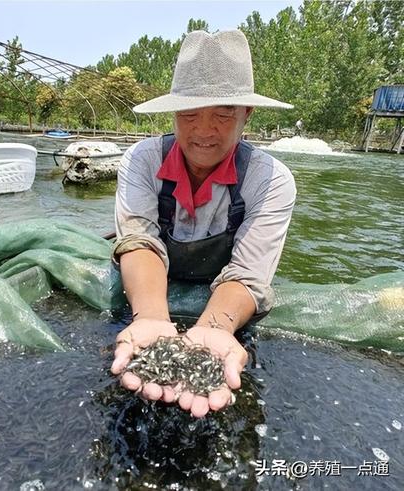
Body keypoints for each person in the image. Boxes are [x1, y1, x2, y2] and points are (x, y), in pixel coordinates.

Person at [110, 30, 296, 418]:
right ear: (173, 113)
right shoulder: (141, 161)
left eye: (224, 112)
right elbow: (139, 241)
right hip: (148, 293)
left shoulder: (271, 180)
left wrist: (213, 329)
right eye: (189, 113)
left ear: (247, 114)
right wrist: (151, 319)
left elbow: (248, 274)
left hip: (224, 305)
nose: (204, 130)